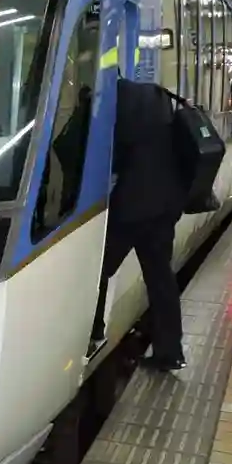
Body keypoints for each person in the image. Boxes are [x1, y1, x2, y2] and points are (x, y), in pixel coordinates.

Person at [90, 78, 193, 371]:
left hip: (132, 212)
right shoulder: (163, 111)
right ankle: (170, 352)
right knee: (161, 280)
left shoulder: (124, 114)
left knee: (98, 270)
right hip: (165, 210)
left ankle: (93, 331)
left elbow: (108, 161)